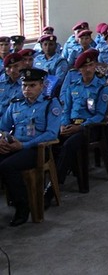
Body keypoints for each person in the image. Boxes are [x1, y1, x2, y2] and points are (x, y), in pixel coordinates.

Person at [0, 68, 60, 226]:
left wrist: (24, 145)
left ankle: (23, 207)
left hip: (36, 149)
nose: (27, 89)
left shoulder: (50, 103)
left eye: (32, 85)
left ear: (42, 85)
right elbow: (3, 127)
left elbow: (52, 133)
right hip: (14, 145)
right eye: (24, 85)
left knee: (7, 166)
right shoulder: (16, 103)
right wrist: (2, 139)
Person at [55, 49, 108, 192]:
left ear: (95, 66)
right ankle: (67, 170)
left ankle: (55, 183)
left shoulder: (102, 87)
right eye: (84, 67)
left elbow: (100, 114)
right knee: (53, 141)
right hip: (72, 124)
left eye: (91, 65)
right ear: (79, 70)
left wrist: (81, 127)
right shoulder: (73, 86)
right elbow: (66, 110)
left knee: (69, 144)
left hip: (90, 127)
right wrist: (63, 124)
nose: (88, 69)